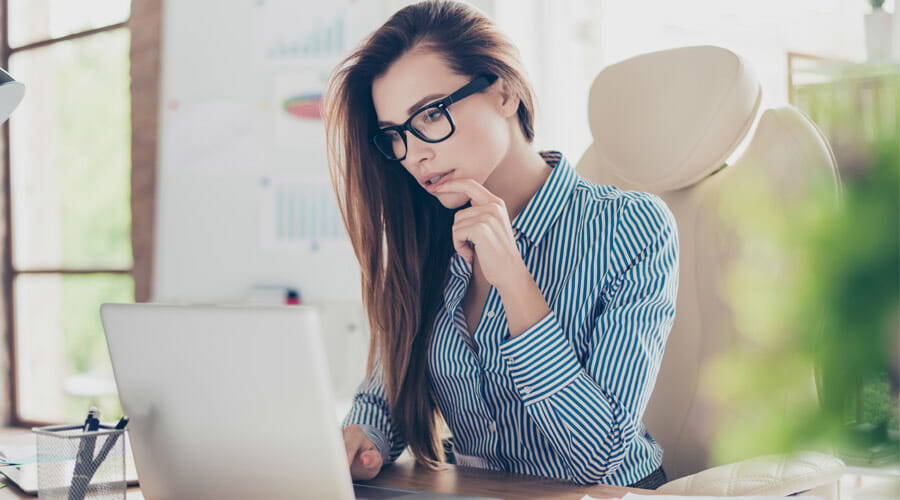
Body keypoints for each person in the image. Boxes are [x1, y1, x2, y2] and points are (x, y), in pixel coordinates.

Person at [323, 0, 678, 489]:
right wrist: (364, 436)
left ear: (505, 91)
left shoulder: (631, 226)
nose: (416, 153)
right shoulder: (426, 234)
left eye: (429, 114)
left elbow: (601, 459)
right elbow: (387, 396)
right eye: (396, 135)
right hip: (483, 494)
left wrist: (513, 280)